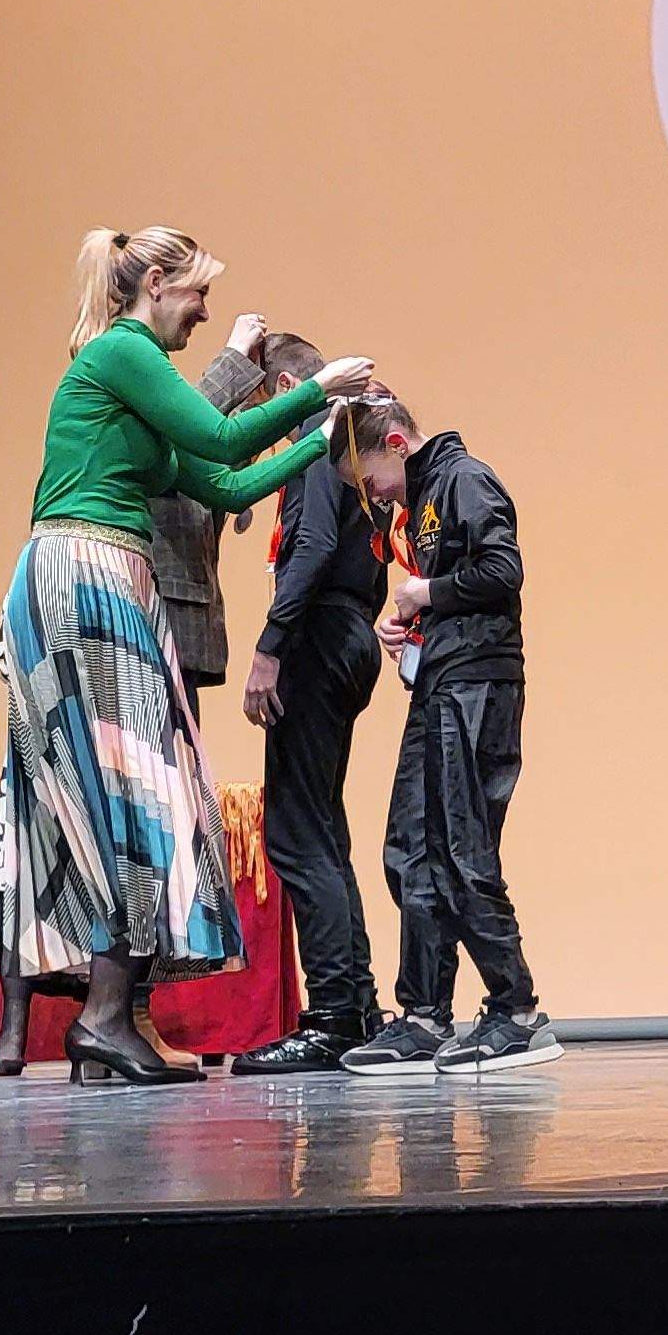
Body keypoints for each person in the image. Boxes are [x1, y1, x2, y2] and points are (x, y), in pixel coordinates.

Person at [0, 225, 374, 1085]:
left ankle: (108, 1017)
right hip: (84, 570)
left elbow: (225, 484)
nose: (204, 311)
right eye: (197, 293)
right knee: (139, 789)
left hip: (108, 573)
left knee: (150, 796)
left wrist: (322, 434)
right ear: (154, 283)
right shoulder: (123, 350)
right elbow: (228, 441)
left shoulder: (135, 386)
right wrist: (317, 392)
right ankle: (106, 1017)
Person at [329, 394, 559, 1075]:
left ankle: (516, 1009)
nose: (372, 495)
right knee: (411, 848)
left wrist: (424, 594)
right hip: (442, 681)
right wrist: (413, 624)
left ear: (396, 441)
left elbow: (501, 571)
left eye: (370, 479)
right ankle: (424, 1014)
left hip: (479, 685)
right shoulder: (424, 499)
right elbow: (456, 586)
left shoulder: (464, 479)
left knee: (461, 846)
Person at [224, 333, 391, 1076]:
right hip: (347, 633)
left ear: (292, 382)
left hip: (319, 637)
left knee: (295, 832)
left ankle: (329, 1018)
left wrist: (270, 644)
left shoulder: (316, 441)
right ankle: (353, 1007)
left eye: (266, 400)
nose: (266, 418)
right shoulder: (351, 449)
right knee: (322, 828)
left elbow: (316, 544)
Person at [142, 338, 271, 719]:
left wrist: (262, 405)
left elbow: (224, 465)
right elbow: (188, 427)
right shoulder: (152, 428)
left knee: (182, 763)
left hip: (186, 625)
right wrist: (235, 352)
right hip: (161, 618)